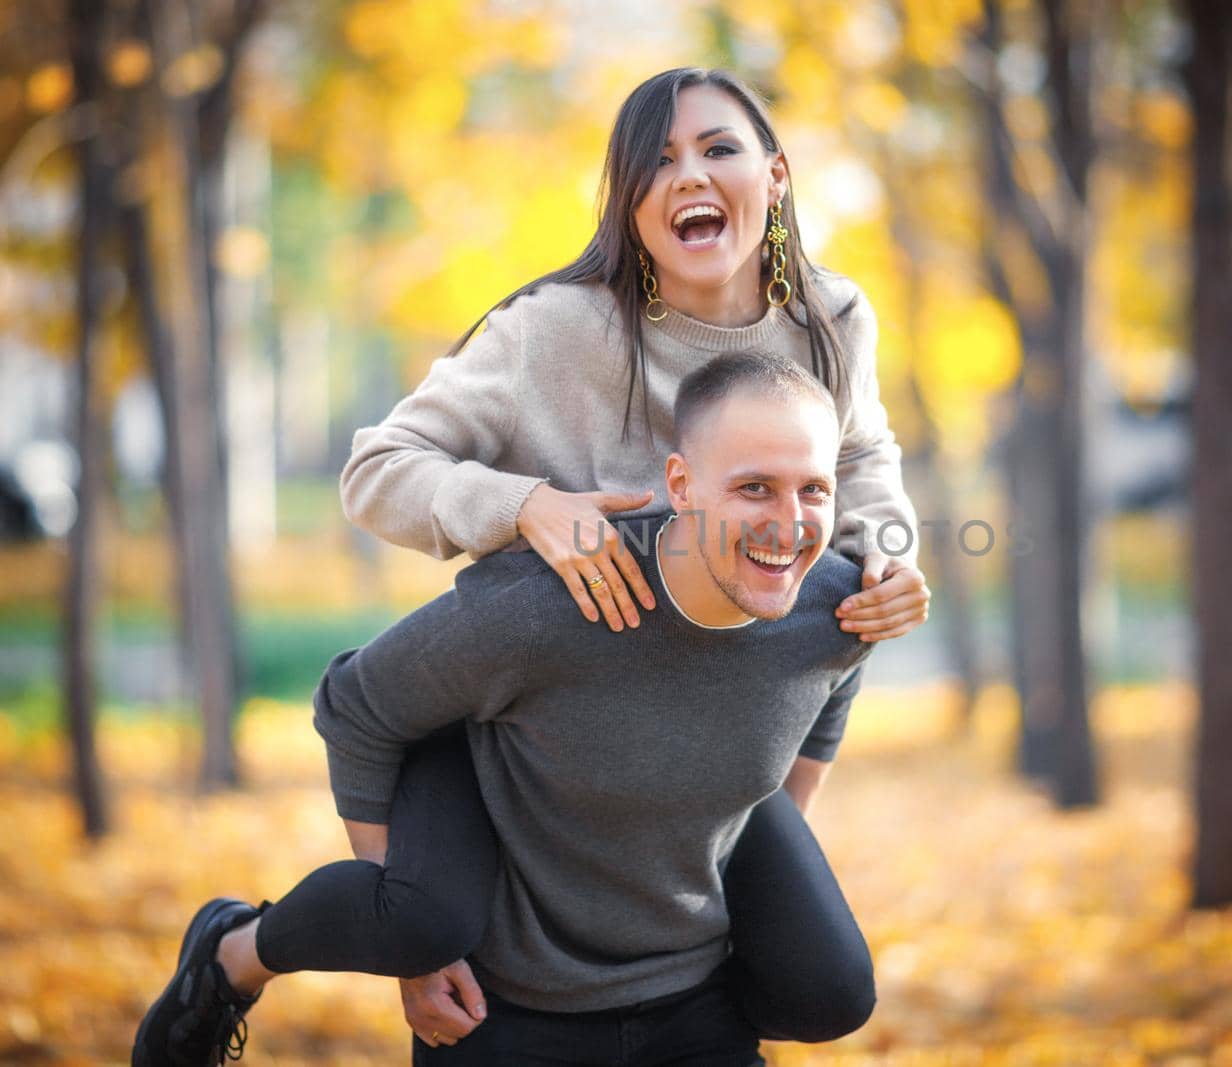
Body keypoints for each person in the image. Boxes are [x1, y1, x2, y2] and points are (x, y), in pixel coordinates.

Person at [334, 66, 928, 1044]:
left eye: (718, 148)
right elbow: (376, 469)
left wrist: (892, 550)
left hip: (704, 711)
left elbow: (862, 453)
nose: (688, 174)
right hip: (533, 702)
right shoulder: (553, 333)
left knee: (827, 984)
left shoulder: (831, 319)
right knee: (441, 931)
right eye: (655, 161)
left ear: (774, 177)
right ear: (627, 203)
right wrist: (524, 505)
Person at [136, 353, 877, 1066]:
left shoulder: (836, 608)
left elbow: (832, 683)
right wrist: (405, 935)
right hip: (503, 986)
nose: (790, 522)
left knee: (832, 990)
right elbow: (355, 703)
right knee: (422, 920)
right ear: (679, 484)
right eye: (754, 488)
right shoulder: (551, 606)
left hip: (694, 1008)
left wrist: (759, 834)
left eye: (813, 489)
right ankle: (231, 950)